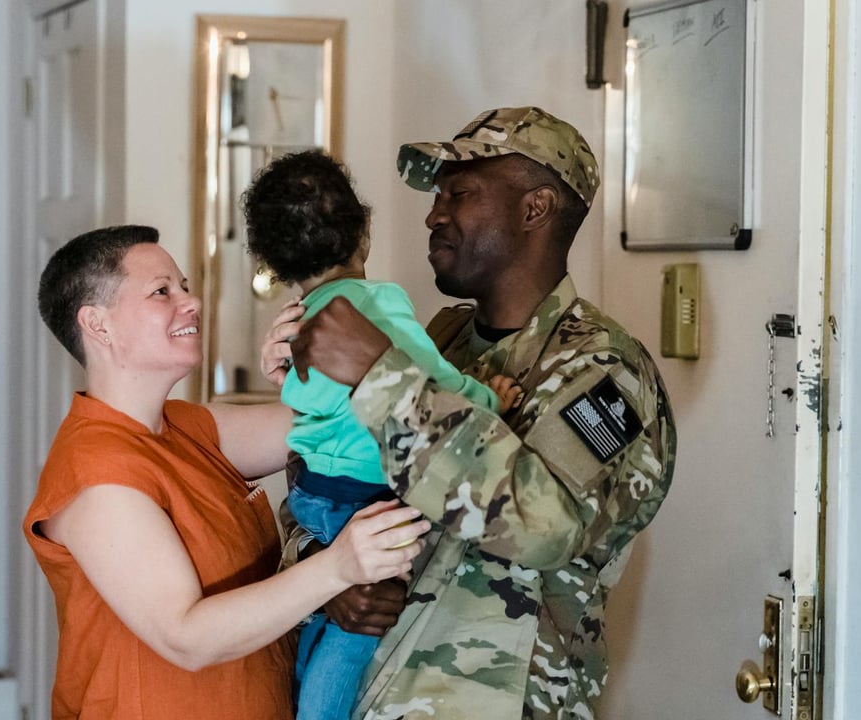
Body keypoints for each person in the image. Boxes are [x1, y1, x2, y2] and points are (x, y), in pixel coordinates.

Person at [261, 107, 677, 719]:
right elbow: (317, 479)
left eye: (459, 192)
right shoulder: (441, 338)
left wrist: (380, 374)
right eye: (436, 195)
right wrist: (327, 576)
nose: (434, 213)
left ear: (534, 209)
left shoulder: (606, 369)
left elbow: (546, 524)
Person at [21, 224, 430, 720]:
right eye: (161, 291)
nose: (190, 303)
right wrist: (337, 567)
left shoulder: (191, 428)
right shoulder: (96, 471)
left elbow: (343, 428)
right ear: (98, 325)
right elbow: (186, 636)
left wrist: (305, 379)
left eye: (185, 287)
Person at [242, 150, 522, 720]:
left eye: (457, 195)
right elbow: (435, 381)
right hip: (363, 497)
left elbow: (305, 407)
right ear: (363, 232)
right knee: (354, 634)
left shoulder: (298, 322)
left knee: (324, 617)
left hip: (313, 493)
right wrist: (491, 400)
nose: (435, 215)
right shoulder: (380, 305)